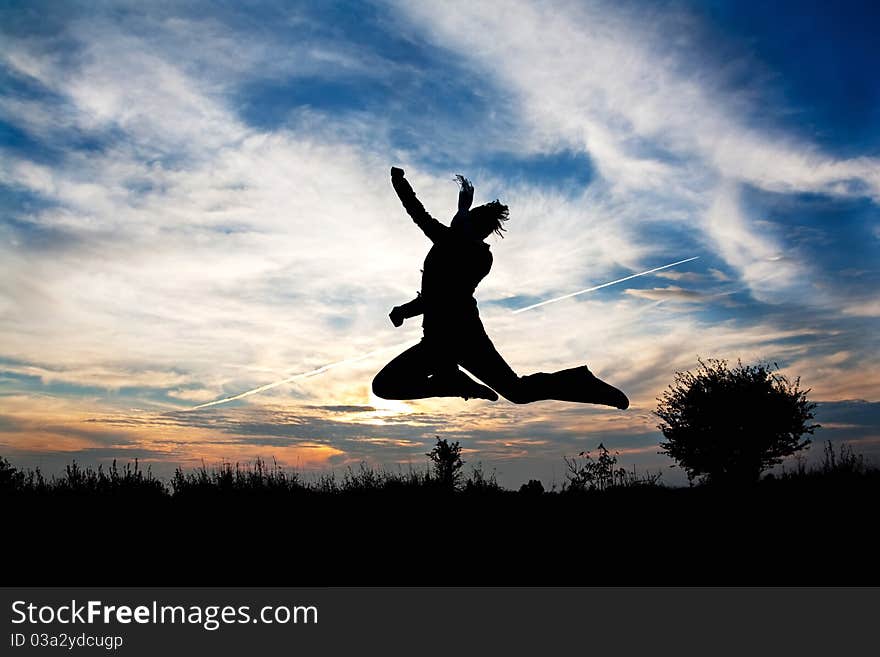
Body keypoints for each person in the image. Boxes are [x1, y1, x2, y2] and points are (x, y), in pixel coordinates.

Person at [372, 166, 629, 409]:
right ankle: (449, 382)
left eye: (466, 220)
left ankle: (578, 381)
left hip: (466, 339)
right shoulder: (448, 240)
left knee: (518, 392)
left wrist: (405, 311)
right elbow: (418, 217)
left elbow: (442, 295)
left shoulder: (479, 258)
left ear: (474, 229)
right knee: (384, 386)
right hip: (437, 342)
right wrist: (400, 183)